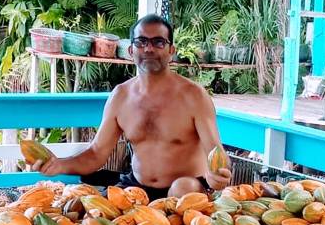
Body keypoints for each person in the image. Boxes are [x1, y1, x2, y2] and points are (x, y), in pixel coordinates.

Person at [32, 14, 232, 200]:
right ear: (131, 50)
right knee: (90, 207)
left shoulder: (193, 96)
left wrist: (217, 175)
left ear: (171, 51)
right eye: (141, 42)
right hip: (136, 188)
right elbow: (96, 154)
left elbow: (216, 153)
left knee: (182, 187)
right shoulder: (121, 96)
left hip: (187, 191)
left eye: (158, 42)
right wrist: (59, 164)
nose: (149, 49)